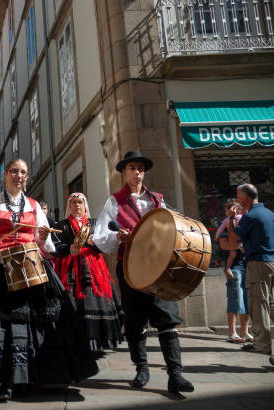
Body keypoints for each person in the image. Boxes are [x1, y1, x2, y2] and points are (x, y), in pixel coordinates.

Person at [0, 158, 98, 401]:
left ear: (27, 177)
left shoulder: (34, 206)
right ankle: (4, 380)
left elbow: (45, 244)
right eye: (14, 171)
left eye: (23, 173)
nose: (18, 176)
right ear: (5, 175)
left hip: (31, 263)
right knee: (1, 324)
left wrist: (44, 235)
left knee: (46, 318)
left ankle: (35, 376)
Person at [93, 150, 194, 394]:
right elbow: (100, 237)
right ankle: (142, 368)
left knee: (167, 319)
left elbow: (173, 227)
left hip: (159, 268)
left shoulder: (158, 201)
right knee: (136, 320)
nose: (137, 172)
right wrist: (118, 236)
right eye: (132, 168)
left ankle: (176, 375)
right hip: (129, 270)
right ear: (124, 173)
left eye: (140, 168)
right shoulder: (114, 201)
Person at [51, 192, 124, 352]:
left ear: (85, 206)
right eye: (74, 203)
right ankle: (76, 341)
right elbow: (54, 246)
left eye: (80, 203)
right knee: (73, 302)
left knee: (96, 299)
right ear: (69, 206)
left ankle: (97, 341)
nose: (77, 205)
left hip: (93, 268)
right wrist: (69, 248)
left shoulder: (96, 223)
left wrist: (95, 244)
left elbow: (105, 244)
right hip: (70, 269)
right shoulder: (60, 226)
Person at [228, 183, 274, 366]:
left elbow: (232, 239)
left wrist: (232, 218)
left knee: (258, 304)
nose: (238, 200)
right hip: (272, 261)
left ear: (245, 197)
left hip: (258, 264)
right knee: (271, 303)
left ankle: (262, 344)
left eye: (238, 196)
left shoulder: (250, 216)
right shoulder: (269, 213)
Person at [216, 199, 251, 344]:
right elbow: (227, 245)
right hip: (235, 269)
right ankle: (232, 332)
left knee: (246, 302)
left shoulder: (244, 224)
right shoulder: (225, 227)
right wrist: (242, 244)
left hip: (248, 267)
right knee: (235, 299)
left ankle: (245, 331)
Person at [215, 199, 244, 280]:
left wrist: (216, 236)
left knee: (232, 255)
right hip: (237, 241)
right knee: (233, 253)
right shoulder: (231, 219)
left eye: (226, 210)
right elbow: (222, 229)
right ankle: (228, 268)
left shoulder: (233, 218)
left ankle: (228, 268)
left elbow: (221, 229)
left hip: (234, 242)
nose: (225, 212)